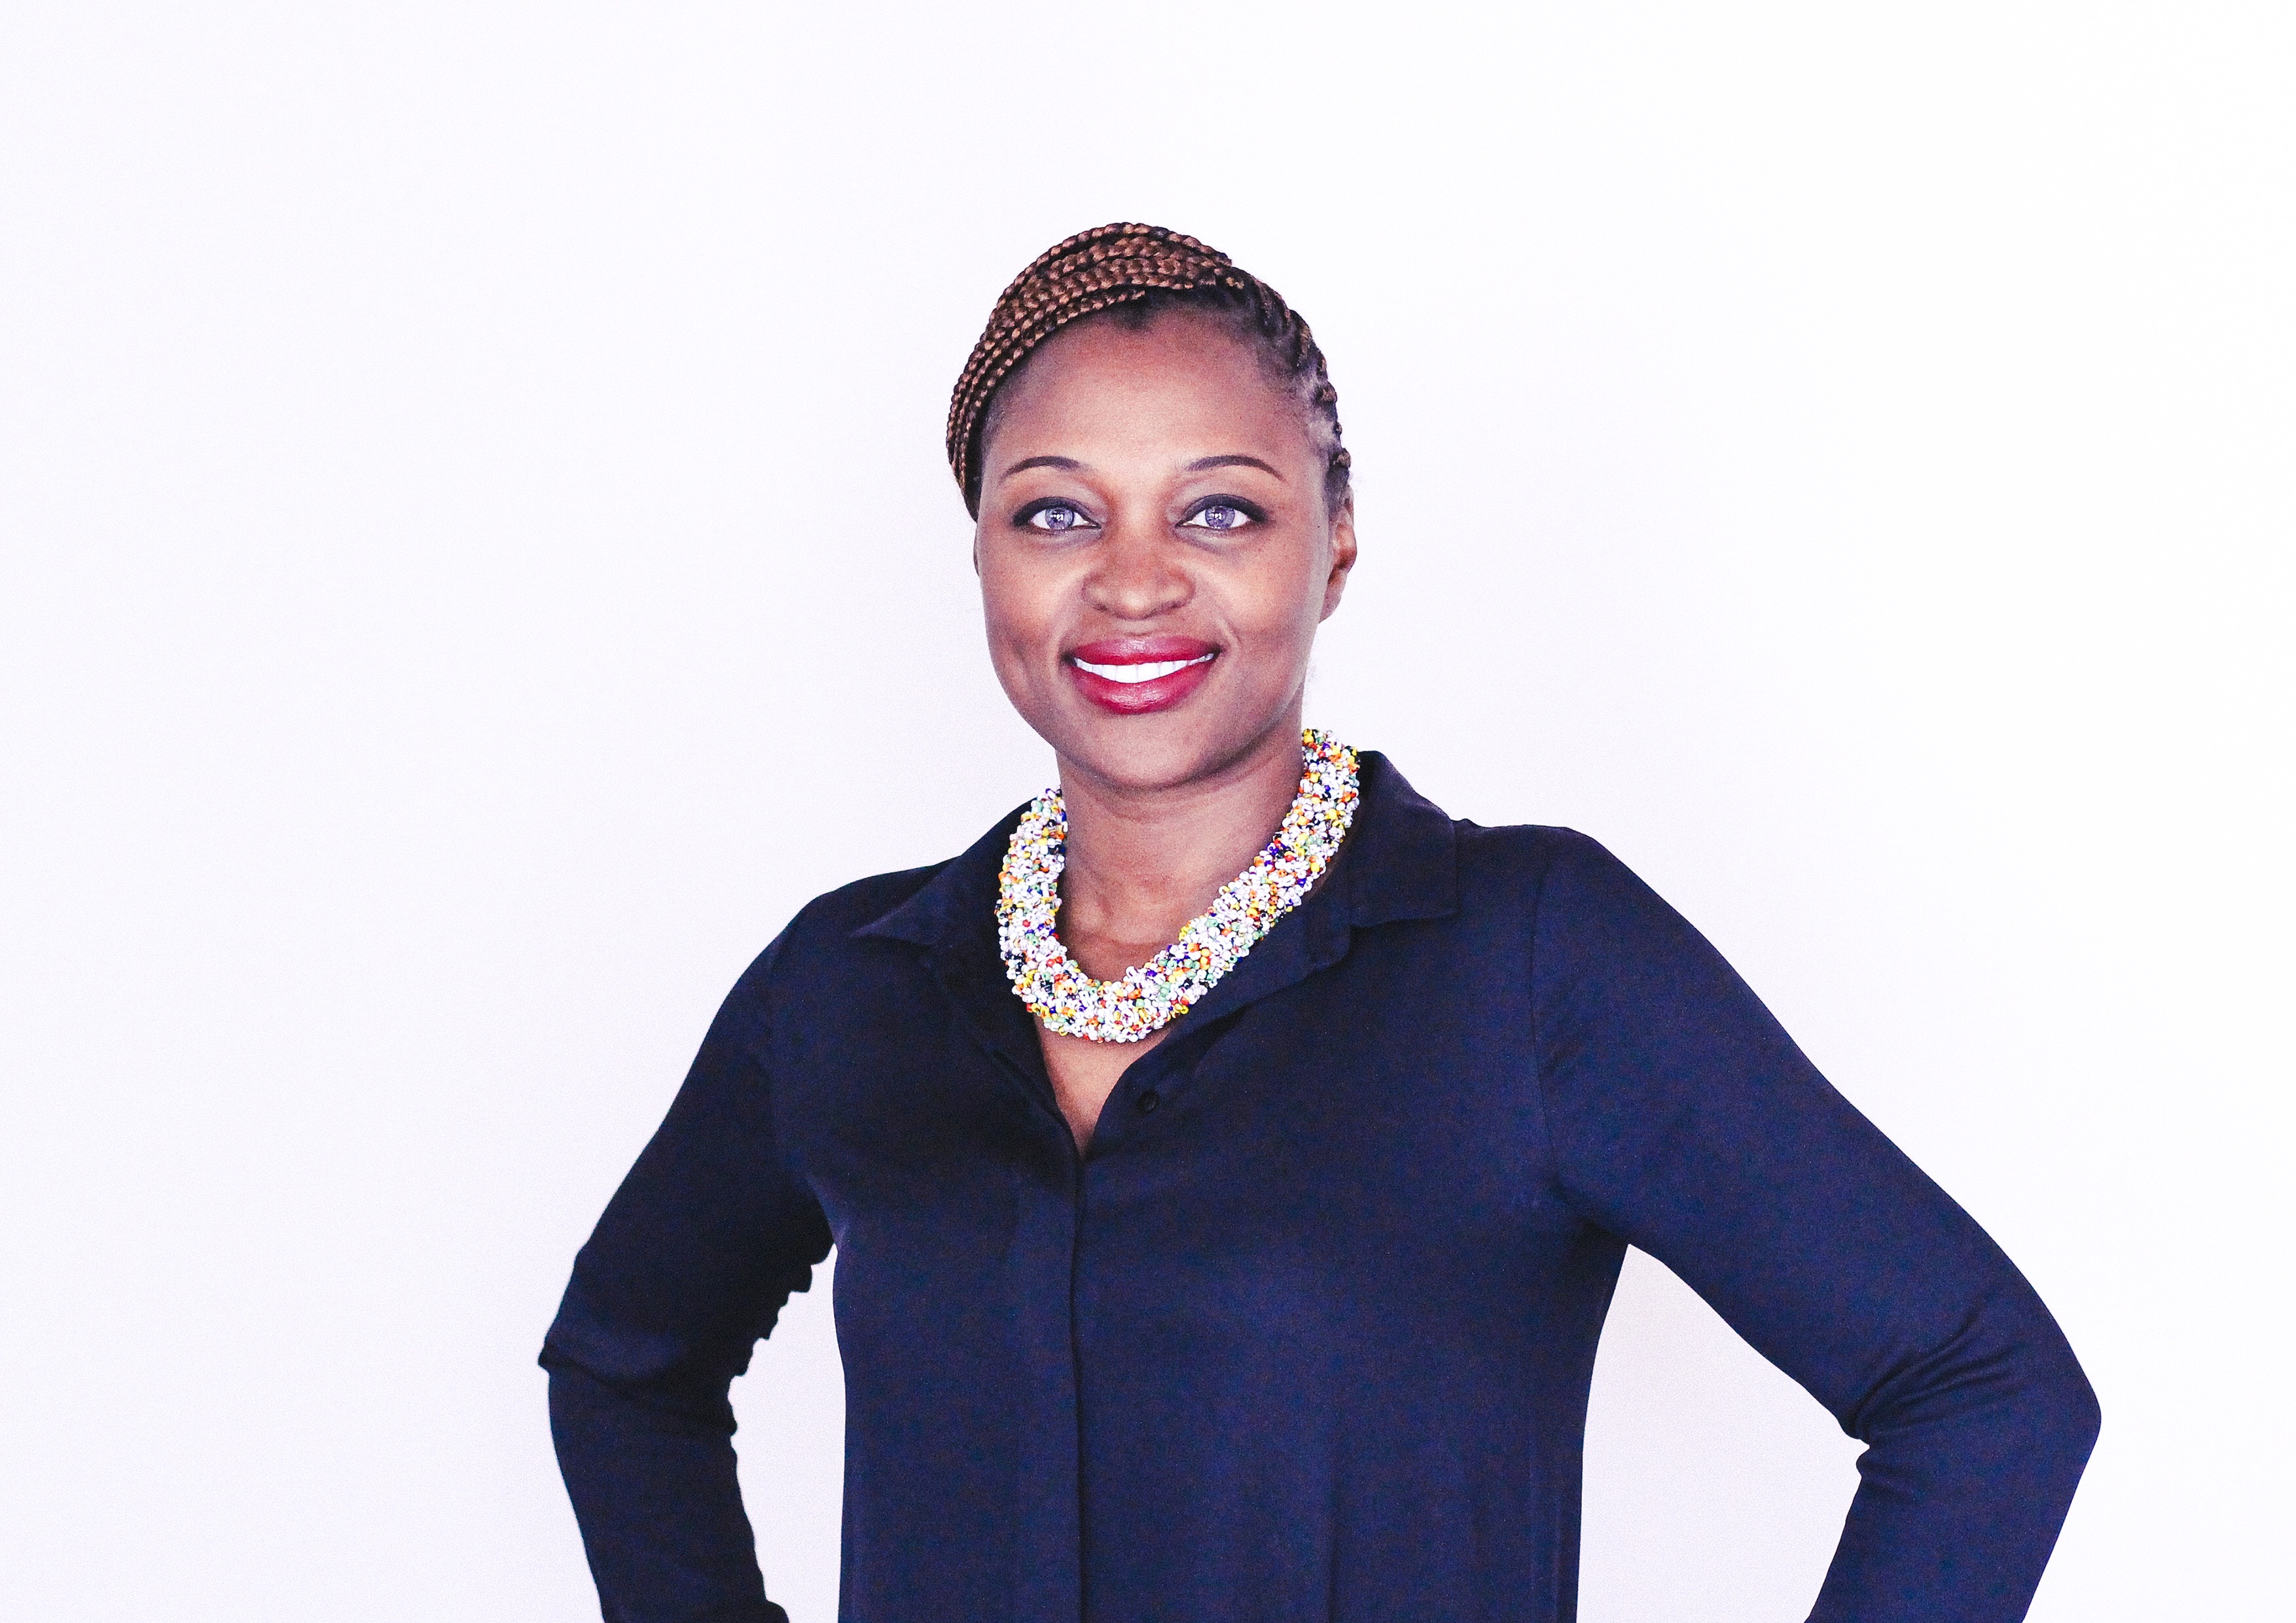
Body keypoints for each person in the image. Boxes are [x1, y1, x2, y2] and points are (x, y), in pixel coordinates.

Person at [541, 223, 2098, 1623]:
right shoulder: (848, 985)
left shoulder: (1525, 961)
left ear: (1334, 543)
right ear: (981, 553)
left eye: (1219, 511)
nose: (1132, 584)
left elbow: (1982, 1389)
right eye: (1055, 514)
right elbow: (625, 1363)